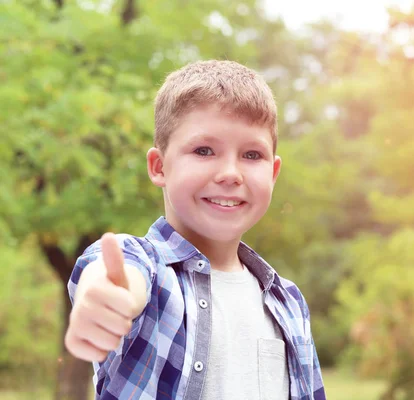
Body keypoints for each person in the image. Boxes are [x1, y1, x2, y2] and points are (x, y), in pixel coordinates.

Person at [64, 60, 326, 400]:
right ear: (159, 167)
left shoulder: (287, 301)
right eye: (204, 150)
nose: (231, 173)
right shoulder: (149, 270)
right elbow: (114, 269)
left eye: (251, 154)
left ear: (273, 173)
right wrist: (107, 295)